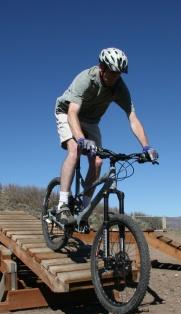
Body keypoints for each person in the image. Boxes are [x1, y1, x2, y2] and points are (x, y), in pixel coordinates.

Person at [54, 47, 158, 225]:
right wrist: (80, 139)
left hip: (91, 121)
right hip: (67, 113)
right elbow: (72, 113)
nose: (116, 77)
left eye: (119, 74)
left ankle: (84, 210)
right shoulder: (86, 79)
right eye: (113, 73)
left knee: (98, 162)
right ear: (102, 68)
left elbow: (132, 117)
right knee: (75, 150)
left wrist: (146, 147)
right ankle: (62, 205)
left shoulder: (120, 88)